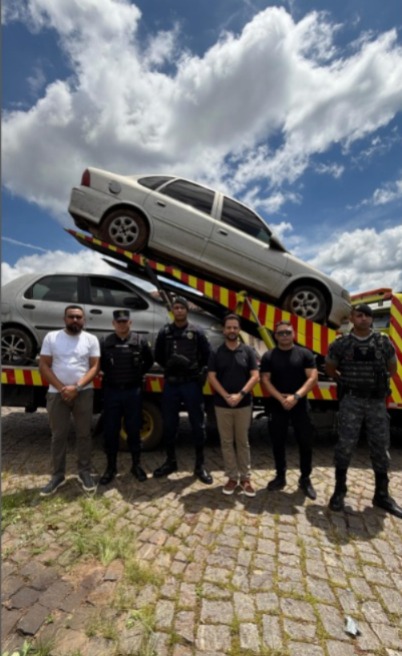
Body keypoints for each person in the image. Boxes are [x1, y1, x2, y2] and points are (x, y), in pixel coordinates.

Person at [325, 303, 402, 518]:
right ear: (352, 318)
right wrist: (345, 380)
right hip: (352, 400)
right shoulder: (342, 344)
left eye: (368, 315)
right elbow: (330, 367)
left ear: (371, 319)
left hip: (376, 402)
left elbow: (392, 368)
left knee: (380, 445)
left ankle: (382, 494)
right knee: (345, 445)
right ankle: (339, 491)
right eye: (359, 315)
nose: (364, 319)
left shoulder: (383, 342)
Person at [39, 305, 100, 495]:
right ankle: (57, 475)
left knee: (84, 434)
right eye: (71, 317)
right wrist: (62, 388)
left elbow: (94, 367)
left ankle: (84, 472)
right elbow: (44, 365)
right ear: (64, 319)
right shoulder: (52, 337)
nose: (75, 320)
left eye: (79, 317)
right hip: (57, 394)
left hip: (84, 393)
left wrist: (77, 387)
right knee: (58, 436)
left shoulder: (91, 339)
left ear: (84, 320)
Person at [153, 296, 213, 484]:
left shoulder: (197, 332)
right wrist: (171, 365)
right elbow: (158, 355)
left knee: (197, 425)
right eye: (176, 307)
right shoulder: (165, 332)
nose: (178, 310)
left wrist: (195, 369)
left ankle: (199, 466)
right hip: (171, 384)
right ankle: (170, 462)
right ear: (173, 311)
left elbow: (208, 356)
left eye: (182, 307)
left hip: (191, 384)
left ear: (187, 310)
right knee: (169, 425)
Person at [260, 320, 318, 499]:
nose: (284, 335)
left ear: (293, 334)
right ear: (275, 336)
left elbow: (312, 378)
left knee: (305, 443)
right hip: (278, 405)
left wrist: (296, 396)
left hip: (300, 404)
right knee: (278, 442)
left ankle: (305, 479)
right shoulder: (269, 356)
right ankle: (280, 476)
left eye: (287, 332)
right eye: (280, 333)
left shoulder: (305, 354)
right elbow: (265, 379)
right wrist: (281, 398)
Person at [99, 309, 154, 485]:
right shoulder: (105, 342)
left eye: (125, 322)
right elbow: (99, 363)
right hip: (112, 391)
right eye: (119, 322)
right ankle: (111, 468)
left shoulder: (140, 341)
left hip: (133, 391)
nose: (122, 325)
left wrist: (137, 375)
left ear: (130, 323)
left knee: (133, 430)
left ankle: (136, 465)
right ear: (113, 323)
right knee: (111, 430)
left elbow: (149, 361)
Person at [208, 314, 259, 496]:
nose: (231, 331)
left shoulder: (248, 351)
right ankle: (231, 477)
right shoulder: (216, 352)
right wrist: (226, 396)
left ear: (239, 330)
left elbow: (255, 376)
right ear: (224, 330)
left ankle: (245, 478)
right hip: (222, 405)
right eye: (228, 327)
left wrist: (240, 394)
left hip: (243, 404)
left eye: (235, 328)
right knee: (226, 442)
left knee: (243, 442)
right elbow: (212, 377)